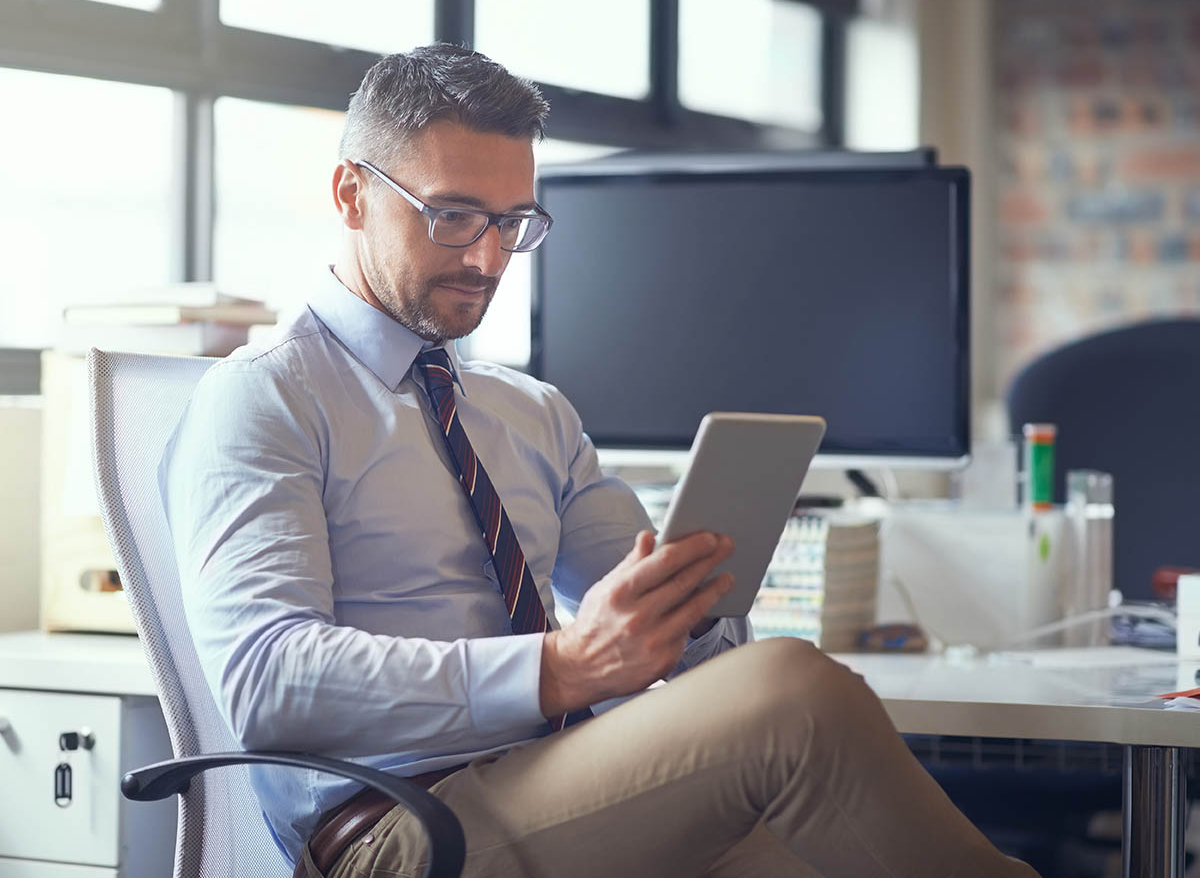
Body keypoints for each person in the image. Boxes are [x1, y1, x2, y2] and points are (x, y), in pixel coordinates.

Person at [161, 44, 1039, 878]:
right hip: (398, 829)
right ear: (352, 193)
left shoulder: (530, 411)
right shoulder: (266, 397)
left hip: (577, 783)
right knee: (790, 693)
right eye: (454, 214)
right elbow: (268, 682)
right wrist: (562, 668)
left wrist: (689, 608)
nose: (487, 257)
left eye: (515, 223)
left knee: (809, 823)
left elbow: (658, 634)